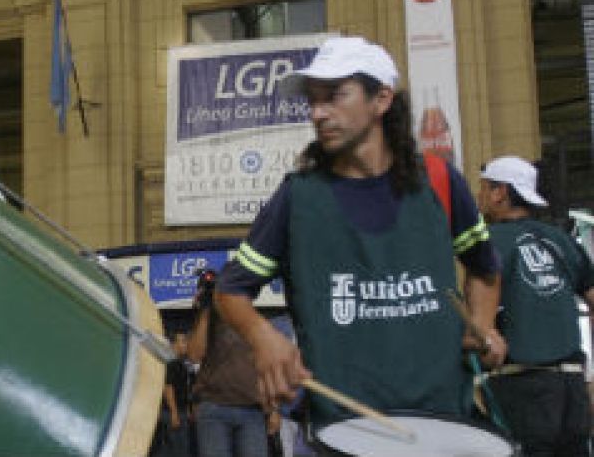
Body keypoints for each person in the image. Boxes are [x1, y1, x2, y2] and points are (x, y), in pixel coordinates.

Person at [214, 36, 506, 429]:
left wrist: (482, 325)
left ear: (381, 100)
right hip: (342, 428)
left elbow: (485, 268)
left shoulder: (438, 179)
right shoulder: (298, 197)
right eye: (313, 101)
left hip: (443, 420)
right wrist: (262, 336)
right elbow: (230, 290)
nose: (318, 113)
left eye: (335, 96)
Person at [476, 155, 594, 455]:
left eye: (484, 187)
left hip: (523, 384)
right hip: (572, 385)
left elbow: (482, 326)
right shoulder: (562, 241)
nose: (479, 196)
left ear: (500, 192)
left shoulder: (487, 243)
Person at [188, 269, 269, 457]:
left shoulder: (252, 319)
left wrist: (273, 410)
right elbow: (194, 355)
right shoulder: (206, 321)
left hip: (252, 409)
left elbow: (263, 364)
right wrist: (206, 311)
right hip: (214, 409)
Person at [154, 331, 194, 457]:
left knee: (168, 449)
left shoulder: (180, 363)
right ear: (173, 344)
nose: (186, 344)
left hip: (179, 411)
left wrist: (187, 408)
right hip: (171, 412)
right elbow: (168, 387)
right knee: (179, 450)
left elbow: (184, 389)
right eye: (183, 341)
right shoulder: (171, 362)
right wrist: (174, 412)